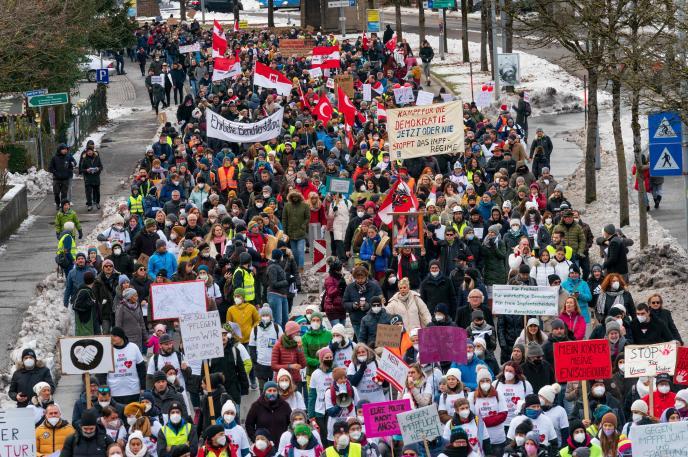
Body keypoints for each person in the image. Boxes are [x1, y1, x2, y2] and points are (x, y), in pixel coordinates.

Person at [108, 327, 146, 405]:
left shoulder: (133, 347)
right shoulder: (108, 349)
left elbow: (141, 369)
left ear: (121, 336)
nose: (112, 338)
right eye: (111, 336)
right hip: (114, 392)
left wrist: (143, 387)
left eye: (115, 336)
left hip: (133, 391)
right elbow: (102, 373)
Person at [49, 144, 76, 210]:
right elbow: (50, 168)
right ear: (60, 150)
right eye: (63, 149)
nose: (65, 151)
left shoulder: (68, 157)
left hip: (65, 178)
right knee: (56, 193)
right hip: (56, 178)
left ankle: (63, 206)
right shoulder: (54, 158)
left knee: (64, 194)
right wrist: (55, 173)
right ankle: (58, 204)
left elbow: (73, 163)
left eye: (66, 149)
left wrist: (73, 164)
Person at [78, 143, 103, 211]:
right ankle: (89, 204)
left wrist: (98, 169)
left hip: (96, 177)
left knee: (97, 191)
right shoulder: (84, 159)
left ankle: (97, 203)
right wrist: (87, 170)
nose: (89, 152)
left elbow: (101, 167)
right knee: (88, 192)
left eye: (91, 151)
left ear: (93, 151)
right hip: (88, 178)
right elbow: (81, 169)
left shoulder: (97, 158)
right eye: (88, 151)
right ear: (86, 152)